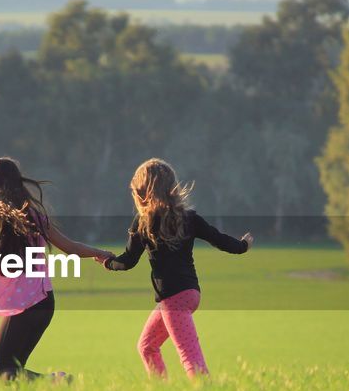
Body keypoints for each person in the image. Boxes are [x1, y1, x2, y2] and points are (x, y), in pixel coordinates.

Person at [0, 157, 111, 380]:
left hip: (25, 308)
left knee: (2, 371)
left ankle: (55, 381)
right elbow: (71, 247)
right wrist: (101, 253)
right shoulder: (35, 219)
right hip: (46, 304)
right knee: (15, 371)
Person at [99, 158, 252, 377]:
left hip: (173, 299)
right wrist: (243, 245)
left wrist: (108, 262)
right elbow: (218, 239)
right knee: (147, 346)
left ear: (142, 192)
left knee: (190, 357)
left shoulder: (144, 223)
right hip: (190, 293)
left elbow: (128, 261)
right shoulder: (188, 218)